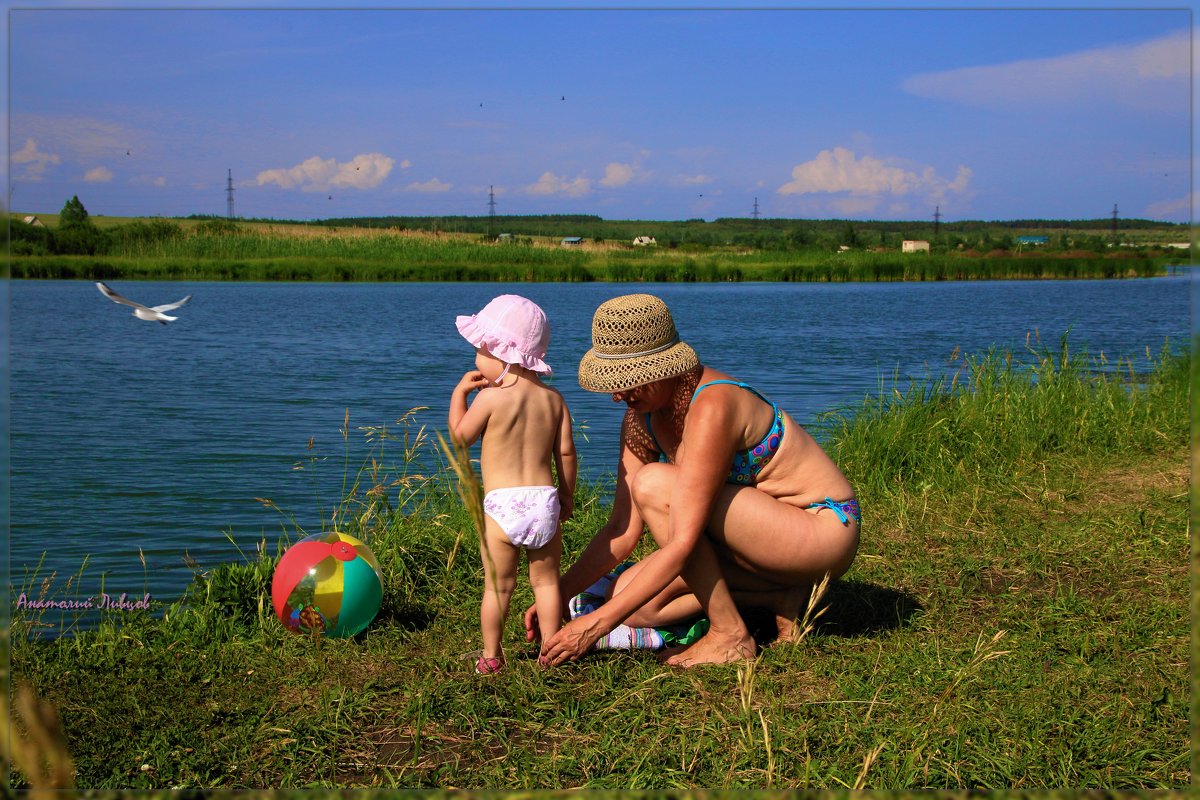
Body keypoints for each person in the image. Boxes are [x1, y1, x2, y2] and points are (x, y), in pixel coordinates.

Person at [529, 293, 859, 668]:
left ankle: (731, 635)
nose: (619, 394)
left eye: (630, 381)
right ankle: (779, 596)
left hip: (820, 530)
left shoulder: (713, 406)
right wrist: (557, 595)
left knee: (654, 484)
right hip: (758, 540)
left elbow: (683, 542)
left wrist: (594, 626)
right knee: (635, 603)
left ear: (662, 367)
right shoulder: (642, 418)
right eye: (614, 382)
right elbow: (621, 529)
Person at [450, 295, 577, 674]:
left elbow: (460, 438)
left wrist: (460, 394)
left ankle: (491, 657)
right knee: (547, 585)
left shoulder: (490, 399)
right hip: (543, 501)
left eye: (480, 349)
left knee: (498, 588)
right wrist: (567, 496)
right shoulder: (554, 400)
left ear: (502, 354)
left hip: (503, 505)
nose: (476, 358)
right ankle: (550, 656)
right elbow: (566, 455)